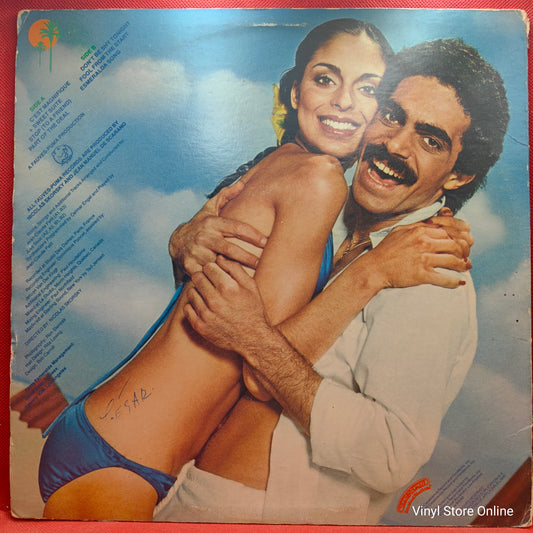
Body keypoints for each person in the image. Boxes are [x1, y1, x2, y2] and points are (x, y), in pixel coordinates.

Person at [41, 19, 462, 521]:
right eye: (325, 79)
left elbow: (210, 298)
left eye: (368, 89)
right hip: (125, 458)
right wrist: (372, 271)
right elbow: (258, 368)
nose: (345, 102)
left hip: (115, 434)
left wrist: (181, 241)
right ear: (295, 92)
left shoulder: (274, 164)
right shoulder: (319, 181)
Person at [155, 38, 509, 524]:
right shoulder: (322, 206)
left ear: (458, 176)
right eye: (391, 116)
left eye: (430, 141)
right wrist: (184, 242)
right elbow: (209, 315)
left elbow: (391, 453)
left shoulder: (430, 277)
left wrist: (255, 340)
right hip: (181, 487)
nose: (395, 145)